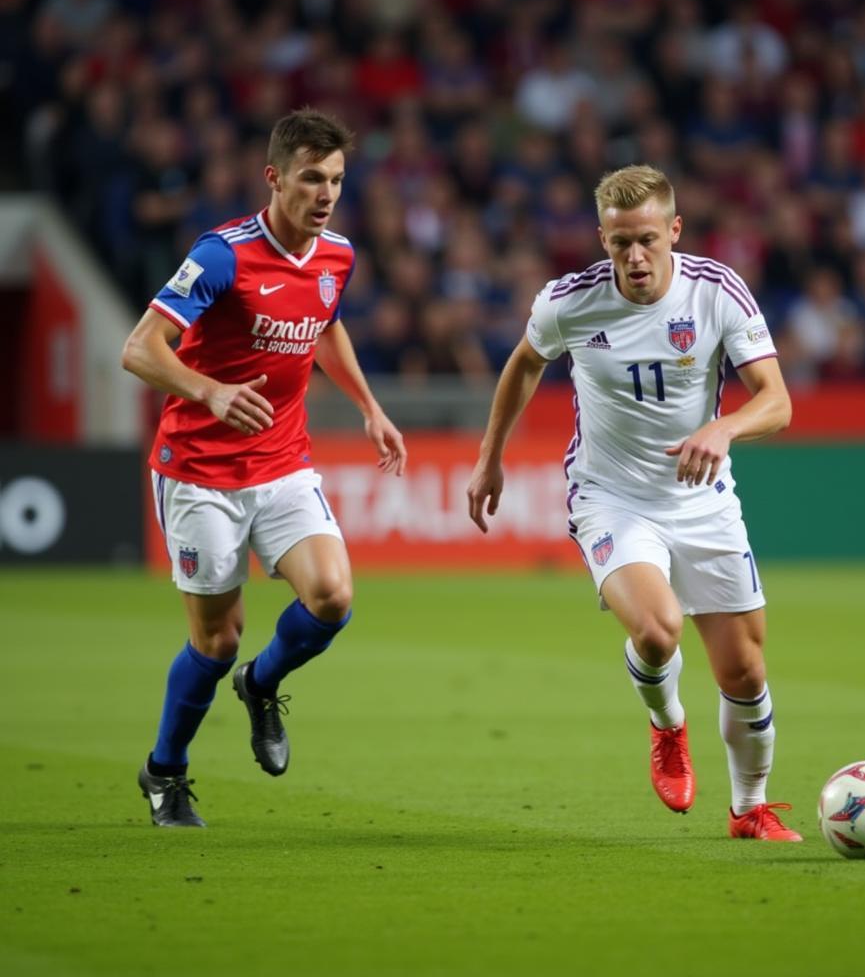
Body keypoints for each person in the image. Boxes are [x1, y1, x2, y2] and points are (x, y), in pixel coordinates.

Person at [467, 164, 801, 841]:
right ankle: (667, 724)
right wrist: (489, 455)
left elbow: (777, 400)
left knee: (744, 669)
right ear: (601, 237)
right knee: (656, 628)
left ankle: (749, 809)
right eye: (619, 243)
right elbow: (525, 363)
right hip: (611, 497)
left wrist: (724, 426)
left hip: (702, 500)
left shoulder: (715, 293)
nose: (635, 256)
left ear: (674, 230)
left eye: (647, 239)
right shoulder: (569, 302)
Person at [122, 108, 407, 827]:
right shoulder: (221, 254)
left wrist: (370, 406)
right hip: (199, 472)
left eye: (337, 179)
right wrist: (209, 389)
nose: (326, 193)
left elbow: (325, 325)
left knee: (333, 597)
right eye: (312, 178)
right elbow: (140, 349)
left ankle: (263, 685)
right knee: (216, 640)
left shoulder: (336, 256)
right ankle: (166, 771)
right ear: (275, 178)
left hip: (282, 464)